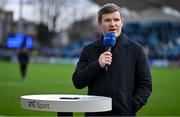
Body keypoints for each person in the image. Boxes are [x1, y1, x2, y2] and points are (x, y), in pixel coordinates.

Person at [72, 3, 152, 116]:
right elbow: (78, 82)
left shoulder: (136, 50)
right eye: (107, 20)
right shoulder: (88, 50)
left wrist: (131, 107)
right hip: (94, 113)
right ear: (99, 24)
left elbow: (145, 85)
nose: (113, 24)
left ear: (122, 22)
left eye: (116, 19)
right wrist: (97, 65)